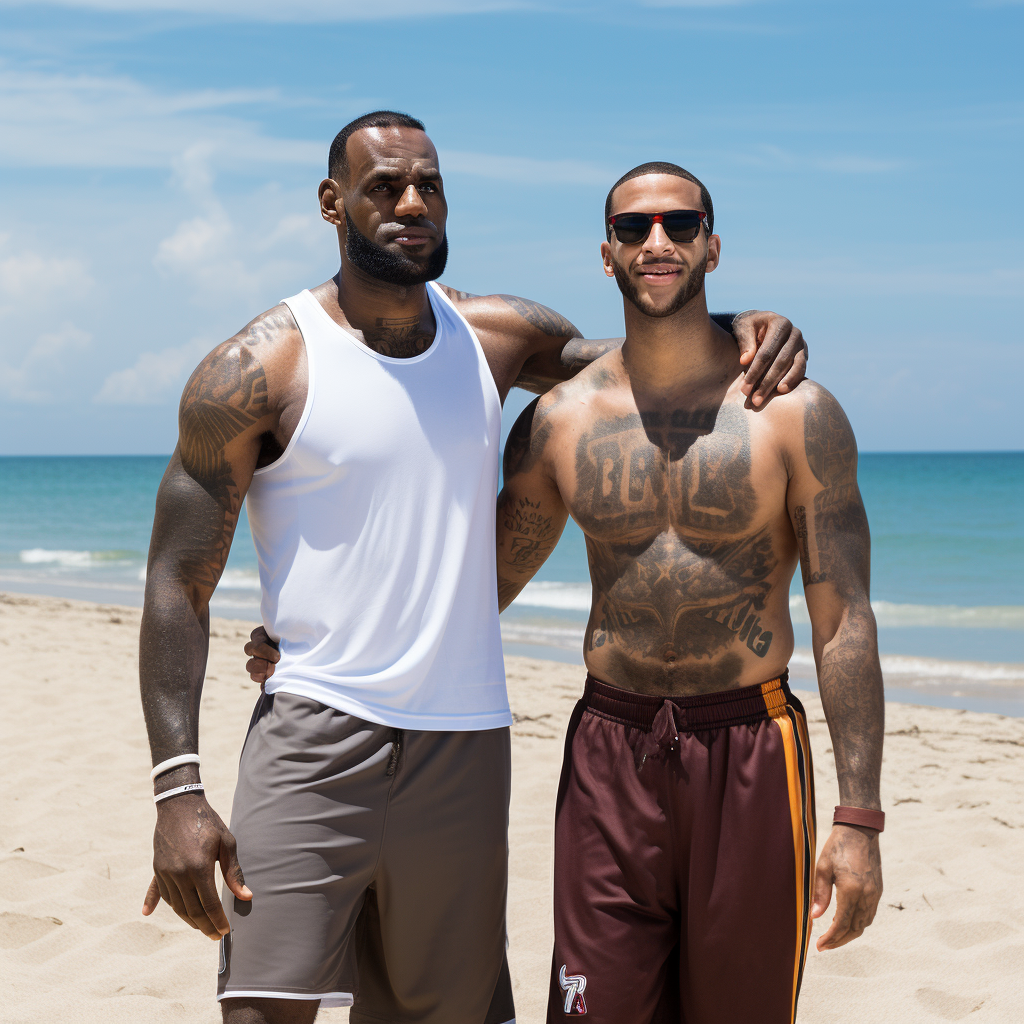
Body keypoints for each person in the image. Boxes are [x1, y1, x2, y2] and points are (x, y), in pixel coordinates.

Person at [139, 108, 807, 1024]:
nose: (413, 203)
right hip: (314, 725)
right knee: (263, 1005)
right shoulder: (258, 368)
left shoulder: (496, 338)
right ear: (332, 204)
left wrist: (748, 325)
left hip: (465, 743)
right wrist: (177, 787)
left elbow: (642, 355)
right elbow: (178, 583)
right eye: (384, 187)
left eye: (431, 185)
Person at [481, 162, 884, 1024]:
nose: (656, 241)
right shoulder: (560, 420)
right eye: (634, 228)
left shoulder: (795, 413)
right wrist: (323, 636)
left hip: (749, 748)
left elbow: (843, 619)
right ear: (606, 254)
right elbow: (480, 587)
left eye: (679, 224)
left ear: (711, 246)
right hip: (608, 751)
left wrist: (858, 820)